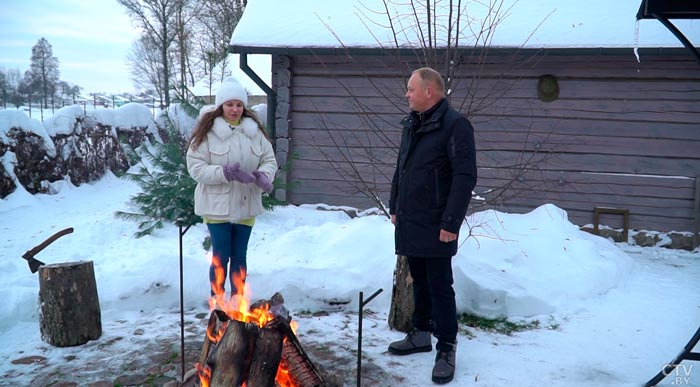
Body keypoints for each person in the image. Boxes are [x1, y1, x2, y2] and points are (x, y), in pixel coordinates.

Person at [388, 67, 477, 385]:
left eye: (411, 89)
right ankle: (421, 333)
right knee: (419, 281)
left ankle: (447, 349)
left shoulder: (456, 126)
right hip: (411, 218)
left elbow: (465, 178)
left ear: (430, 91)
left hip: (439, 222)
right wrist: (395, 204)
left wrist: (451, 222)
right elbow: (403, 165)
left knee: (440, 287)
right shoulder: (412, 123)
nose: (407, 94)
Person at [186, 76, 277, 300]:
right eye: (229, 104)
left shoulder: (254, 134)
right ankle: (217, 304)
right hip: (217, 208)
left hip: (246, 205)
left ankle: (237, 303)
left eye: (239, 105)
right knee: (221, 256)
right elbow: (196, 168)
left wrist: (265, 176)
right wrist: (223, 173)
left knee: (239, 257)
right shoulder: (207, 135)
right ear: (220, 106)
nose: (235, 109)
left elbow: (269, 160)